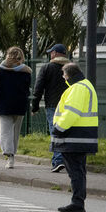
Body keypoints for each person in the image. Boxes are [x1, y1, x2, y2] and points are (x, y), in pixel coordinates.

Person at [53, 63, 98, 212]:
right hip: (81, 136)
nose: (63, 77)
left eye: (64, 75)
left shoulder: (78, 88)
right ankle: (78, 201)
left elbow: (72, 112)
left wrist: (58, 128)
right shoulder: (85, 85)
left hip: (73, 136)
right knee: (79, 170)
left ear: (69, 75)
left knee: (75, 172)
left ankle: (77, 203)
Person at [0, 46, 33, 169]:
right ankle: (12, 156)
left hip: (4, 105)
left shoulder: (1, 70)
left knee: (5, 131)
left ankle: (9, 154)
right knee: (15, 132)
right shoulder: (26, 72)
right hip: (20, 105)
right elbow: (26, 89)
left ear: (7, 56)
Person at [32, 44, 71, 173]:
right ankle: (66, 160)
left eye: (51, 52)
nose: (50, 55)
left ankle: (58, 161)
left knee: (56, 132)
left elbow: (38, 88)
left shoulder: (47, 67)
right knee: (67, 132)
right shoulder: (72, 68)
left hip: (53, 105)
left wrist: (35, 106)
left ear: (54, 53)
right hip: (71, 106)